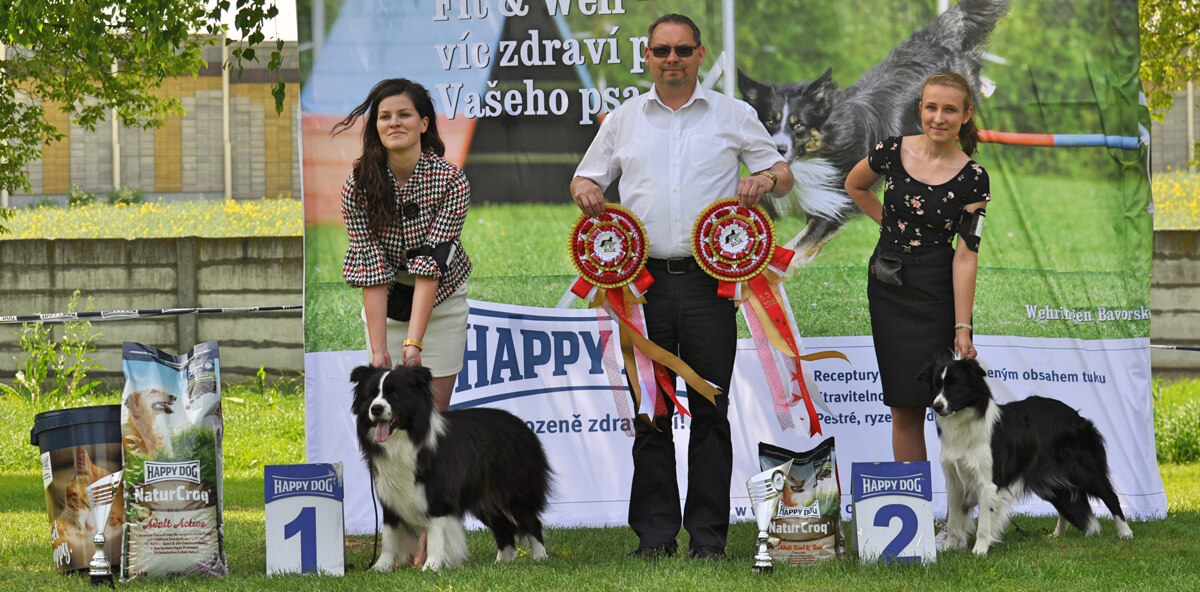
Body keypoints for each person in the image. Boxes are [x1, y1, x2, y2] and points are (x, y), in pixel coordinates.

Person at [571, 13, 794, 561]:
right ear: (646, 57)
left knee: (709, 409)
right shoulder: (623, 119)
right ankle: (654, 537)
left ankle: (709, 540)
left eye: (682, 51)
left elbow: (782, 173)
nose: (671, 60)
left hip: (708, 286)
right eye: (661, 51)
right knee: (650, 410)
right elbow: (585, 176)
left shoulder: (733, 114)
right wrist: (585, 192)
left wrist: (762, 179)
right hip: (640, 285)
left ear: (699, 55)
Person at [844, 71, 990, 462]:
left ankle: (955, 521)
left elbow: (966, 254)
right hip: (889, 289)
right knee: (904, 406)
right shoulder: (891, 150)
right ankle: (916, 516)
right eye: (931, 107)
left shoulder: (974, 178)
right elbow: (855, 186)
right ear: (919, 109)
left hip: (938, 293)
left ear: (966, 114)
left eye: (949, 109)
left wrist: (963, 329)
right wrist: (890, 228)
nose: (938, 118)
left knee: (950, 411)